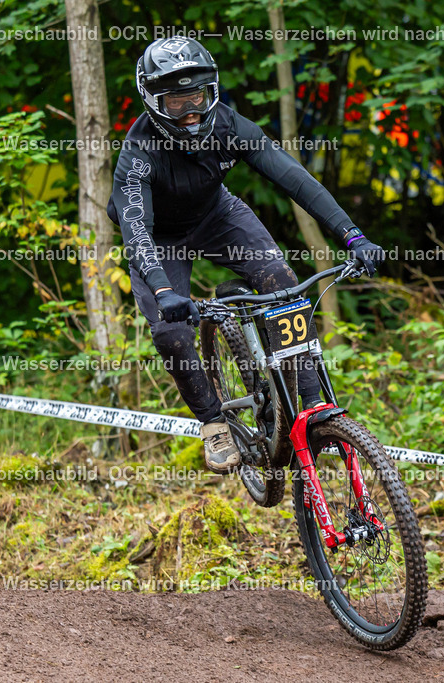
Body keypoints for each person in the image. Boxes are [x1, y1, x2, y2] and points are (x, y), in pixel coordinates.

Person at [106, 37, 385, 474]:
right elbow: (136, 230)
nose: (190, 111)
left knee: (281, 280)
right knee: (171, 331)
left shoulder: (229, 126)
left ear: (211, 90)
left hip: (216, 214)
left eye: (195, 96)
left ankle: (311, 402)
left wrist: (353, 236)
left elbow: (294, 178)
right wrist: (163, 291)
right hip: (158, 238)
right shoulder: (139, 153)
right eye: (175, 102)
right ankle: (215, 423)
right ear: (153, 101)